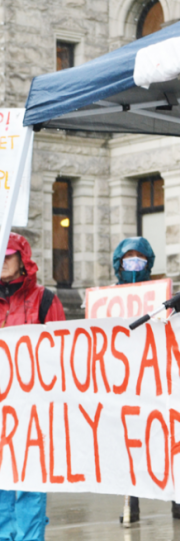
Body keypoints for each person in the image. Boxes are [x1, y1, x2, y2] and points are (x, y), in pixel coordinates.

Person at [112, 237, 180, 523]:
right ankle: (130, 504)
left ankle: (179, 501)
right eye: (129, 258)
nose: (134, 263)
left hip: (157, 377)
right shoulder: (107, 299)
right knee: (129, 442)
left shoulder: (162, 295)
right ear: (119, 264)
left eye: (140, 258)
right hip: (125, 380)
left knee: (167, 437)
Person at [0, 232, 66, 541]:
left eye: (8, 254)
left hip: (32, 412)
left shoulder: (46, 300)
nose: (2, 259)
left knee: (29, 487)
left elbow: (64, 354)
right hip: (1, 412)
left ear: (22, 261)